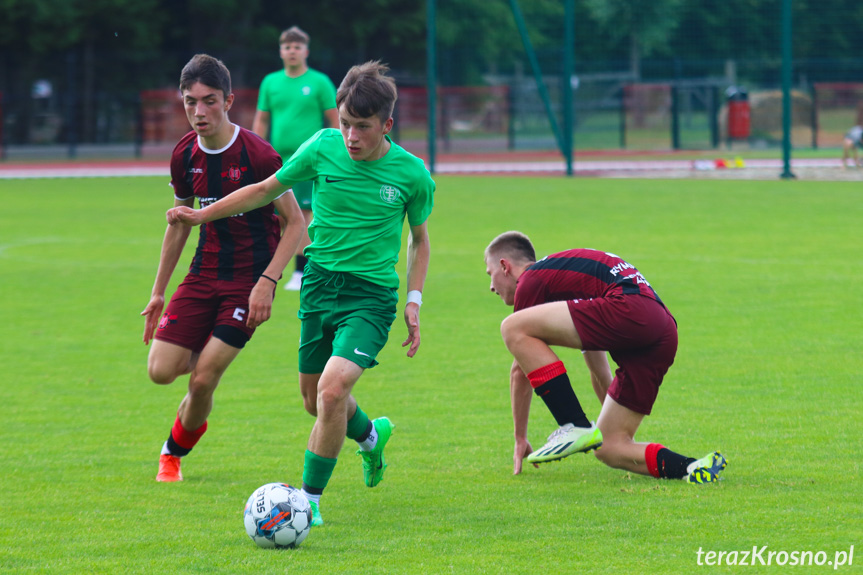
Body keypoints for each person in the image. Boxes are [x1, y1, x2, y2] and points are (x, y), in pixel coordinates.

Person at [166, 61, 434, 525]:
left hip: (370, 298)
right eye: (346, 124)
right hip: (318, 287)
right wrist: (199, 216)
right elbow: (264, 189)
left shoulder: (412, 174)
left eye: (362, 128)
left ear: (387, 125)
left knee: (331, 393)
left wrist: (413, 300)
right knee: (315, 401)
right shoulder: (323, 147)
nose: (350, 137)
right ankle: (371, 437)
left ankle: (306, 505)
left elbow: (421, 240)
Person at [141, 54, 304, 483]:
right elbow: (178, 226)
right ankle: (210, 349)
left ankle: (172, 453)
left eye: (208, 101)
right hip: (202, 274)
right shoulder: (184, 154)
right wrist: (158, 292)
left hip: (247, 283)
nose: (198, 112)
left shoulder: (259, 155)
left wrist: (269, 282)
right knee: (159, 371)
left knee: (201, 381)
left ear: (229, 100)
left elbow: (296, 224)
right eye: (189, 101)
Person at [484, 231, 727, 484]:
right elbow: (598, 370)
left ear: (504, 266)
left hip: (630, 307)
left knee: (512, 327)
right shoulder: (565, 282)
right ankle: (694, 468)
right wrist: (610, 414)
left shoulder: (531, 281)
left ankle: (573, 423)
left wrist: (520, 438)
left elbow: (519, 369)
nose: (491, 286)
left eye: (490, 274)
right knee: (609, 446)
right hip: (662, 330)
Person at [253, 26, 339, 291]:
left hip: (308, 160)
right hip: (278, 159)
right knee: (277, 214)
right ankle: (271, 268)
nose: (292, 51)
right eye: (287, 46)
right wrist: (256, 151)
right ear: (281, 51)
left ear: (306, 51)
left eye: (297, 47)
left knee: (304, 212)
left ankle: (302, 271)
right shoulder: (270, 82)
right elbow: (263, 119)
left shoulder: (319, 82)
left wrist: (335, 151)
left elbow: (334, 118)